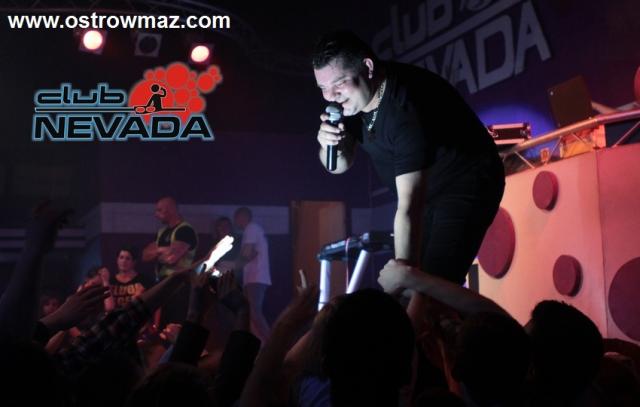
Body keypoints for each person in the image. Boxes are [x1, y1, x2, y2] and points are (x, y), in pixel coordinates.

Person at [313, 30, 504, 284]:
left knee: (432, 284)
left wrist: (403, 276)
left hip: (464, 182)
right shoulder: (351, 102)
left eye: (338, 84)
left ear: (367, 67)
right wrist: (329, 144)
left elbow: (409, 206)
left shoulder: (405, 107)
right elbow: (340, 166)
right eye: (323, 88)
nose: (330, 96)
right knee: (416, 288)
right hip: (427, 194)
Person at [143, 196, 198, 326]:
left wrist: (157, 251)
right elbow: (145, 255)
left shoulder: (185, 230)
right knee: (163, 326)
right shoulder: (162, 232)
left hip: (180, 284)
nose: (156, 215)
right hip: (165, 284)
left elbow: (171, 258)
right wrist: (163, 250)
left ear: (170, 210)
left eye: (159, 210)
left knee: (175, 325)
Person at [233, 206, 272, 343]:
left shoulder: (251, 229)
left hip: (256, 278)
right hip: (253, 278)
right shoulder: (252, 230)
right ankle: (259, 344)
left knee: (254, 312)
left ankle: (271, 343)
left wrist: (231, 266)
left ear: (242, 217)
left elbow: (248, 253)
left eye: (236, 218)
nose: (235, 221)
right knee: (251, 313)